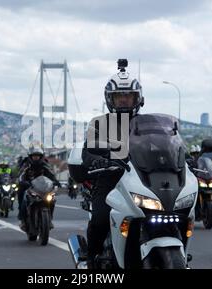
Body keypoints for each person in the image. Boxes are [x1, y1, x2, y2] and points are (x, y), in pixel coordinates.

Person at [80, 59, 144, 268]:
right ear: (110, 99)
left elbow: (165, 144)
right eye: (119, 97)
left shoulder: (147, 123)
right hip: (111, 179)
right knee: (100, 218)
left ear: (138, 98)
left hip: (143, 180)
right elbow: (88, 151)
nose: (124, 100)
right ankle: (91, 258)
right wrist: (97, 159)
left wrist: (184, 158)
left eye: (128, 96)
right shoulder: (99, 123)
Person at [17, 143, 61, 229]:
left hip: (42, 188)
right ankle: (23, 219)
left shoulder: (45, 164)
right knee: (23, 198)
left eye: (38, 156)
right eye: (34, 156)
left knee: (52, 199)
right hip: (29, 187)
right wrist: (22, 181)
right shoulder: (26, 164)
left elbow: (51, 174)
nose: (36, 157)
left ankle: (49, 219)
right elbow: (21, 174)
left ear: (41, 156)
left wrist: (55, 181)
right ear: (30, 156)